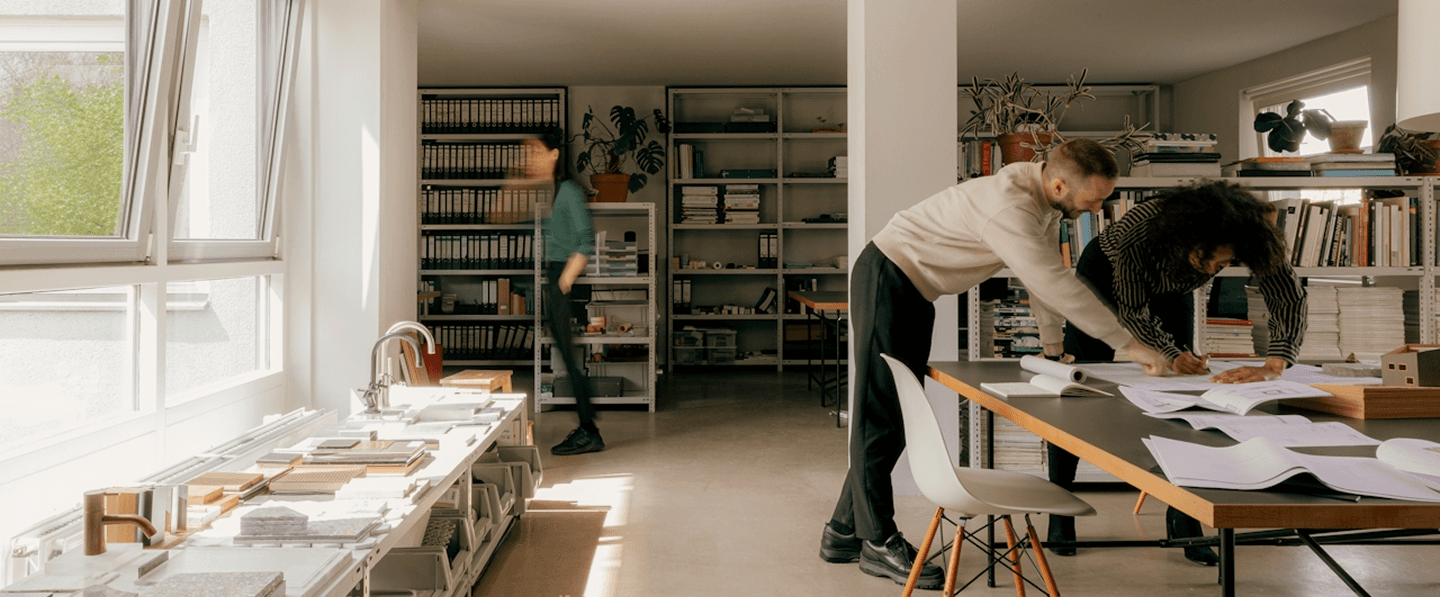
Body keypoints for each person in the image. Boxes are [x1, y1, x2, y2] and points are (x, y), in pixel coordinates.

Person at [818, 139, 1169, 590]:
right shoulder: (1010, 209)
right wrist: (1134, 346)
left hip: (913, 290)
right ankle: (877, 542)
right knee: (878, 416)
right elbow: (1060, 286)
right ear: (1059, 183)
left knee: (893, 418)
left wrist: (1051, 345)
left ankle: (842, 531)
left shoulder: (1043, 203)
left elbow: (1039, 277)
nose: (1100, 207)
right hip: (888, 278)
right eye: (1095, 198)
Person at [1046, 180, 1306, 565]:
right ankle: (1061, 508)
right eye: (1213, 262)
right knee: (1079, 387)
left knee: (1184, 392)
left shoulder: (1250, 235)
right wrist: (1168, 353)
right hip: (1103, 273)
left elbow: (1286, 294)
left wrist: (1276, 360)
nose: (1219, 270)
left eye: (1226, 263)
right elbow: (1133, 311)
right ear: (1190, 241)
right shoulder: (1141, 232)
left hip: (1173, 281)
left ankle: (1184, 513)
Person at [527, 130, 605, 456]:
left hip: (562, 274)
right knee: (566, 357)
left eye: (535, 151)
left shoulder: (569, 191)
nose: (528, 159)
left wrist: (563, 282)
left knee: (570, 361)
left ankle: (590, 431)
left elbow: (585, 241)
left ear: (554, 154)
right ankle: (588, 426)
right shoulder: (550, 192)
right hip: (553, 274)